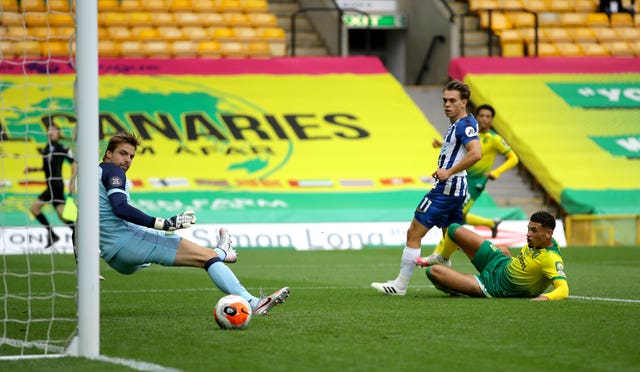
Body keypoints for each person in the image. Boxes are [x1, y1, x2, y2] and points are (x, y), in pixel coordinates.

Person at [98, 131, 289, 315]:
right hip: (128, 244)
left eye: (131, 156)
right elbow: (120, 208)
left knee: (189, 251)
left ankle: (222, 252)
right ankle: (252, 301)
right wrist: (163, 223)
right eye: (123, 153)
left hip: (113, 257)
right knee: (206, 258)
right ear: (108, 153)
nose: (127, 160)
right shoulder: (114, 172)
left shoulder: (90, 176)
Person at [371, 80, 482, 296]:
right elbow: (460, 150)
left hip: (447, 188)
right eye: (444, 100)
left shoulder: (464, 125)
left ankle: (400, 285)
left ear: (464, 102)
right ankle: (458, 283)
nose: (447, 105)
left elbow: (476, 153)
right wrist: (443, 147)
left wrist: (448, 171)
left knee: (414, 231)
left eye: (452, 101)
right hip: (455, 188)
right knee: (452, 238)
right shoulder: (462, 124)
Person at [422, 104, 519, 265]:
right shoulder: (471, 134)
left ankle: (439, 255)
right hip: (461, 179)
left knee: (453, 221)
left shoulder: (494, 139)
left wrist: (497, 172)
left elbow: (514, 158)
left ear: (492, 120)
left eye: (488, 116)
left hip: (475, 184)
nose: (484, 119)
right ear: (477, 117)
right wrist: (441, 144)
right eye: (482, 116)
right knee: (459, 216)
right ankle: (490, 223)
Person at [418, 211, 568, 301]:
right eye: (528, 229)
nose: (528, 234)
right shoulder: (542, 242)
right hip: (499, 261)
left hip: (493, 286)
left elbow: (563, 290)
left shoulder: (551, 258)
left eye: (534, 231)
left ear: (548, 234)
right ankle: (444, 258)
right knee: (452, 229)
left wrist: (545, 297)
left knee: (433, 271)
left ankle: (458, 289)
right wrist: (511, 260)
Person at [24, 124, 77, 249]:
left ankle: (53, 234)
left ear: (59, 134)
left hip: (55, 185)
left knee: (34, 208)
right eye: (49, 130)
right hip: (52, 185)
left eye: (54, 130)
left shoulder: (61, 147)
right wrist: (33, 169)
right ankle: (79, 232)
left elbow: (74, 162)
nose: (51, 132)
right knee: (63, 216)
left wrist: (72, 181)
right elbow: (47, 167)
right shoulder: (47, 148)